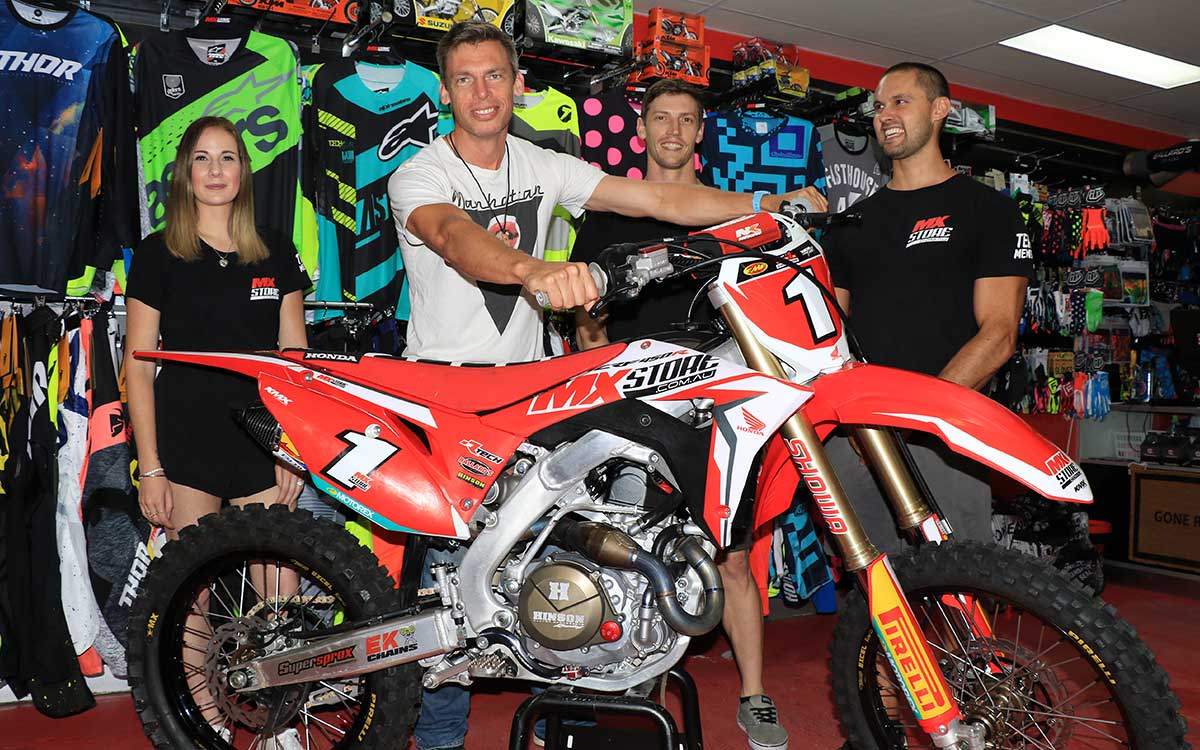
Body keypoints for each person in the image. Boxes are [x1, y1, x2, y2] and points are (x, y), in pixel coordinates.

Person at [387, 21, 825, 750]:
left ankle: (562, 711)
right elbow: (453, 238)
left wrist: (762, 209)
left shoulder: (541, 162)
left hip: (530, 398)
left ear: (518, 82)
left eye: (494, 75)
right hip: (447, 397)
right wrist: (534, 271)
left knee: (546, 561)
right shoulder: (419, 172)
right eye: (464, 79)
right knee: (448, 584)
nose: (481, 92)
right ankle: (439, 742)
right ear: (444, 91)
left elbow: (659, 203)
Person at [572, 78, 797, 750]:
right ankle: (632, 698)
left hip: (717, 406)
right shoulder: (607, 213)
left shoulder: (730, 216)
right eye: (661, 118)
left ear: (700, 132)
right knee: (633, 557)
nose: (672, 131)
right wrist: (598, 375)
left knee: (732, 556)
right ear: (642, 129)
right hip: (633, 410)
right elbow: (584, 323)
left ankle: (754, 695)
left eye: (686, 120)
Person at [124, 115, 310, 749]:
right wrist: (150, 466)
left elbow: (295, 361)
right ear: (184, 172)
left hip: (261, 438)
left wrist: (291, 450)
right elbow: (138, 367)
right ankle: (203, 723)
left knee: (280, 591)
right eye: (202, 158)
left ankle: (280, 723)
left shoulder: (275, 249)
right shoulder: (157, 254)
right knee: (192, 595)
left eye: (227, 157)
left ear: (243, 171)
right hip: (185, 439)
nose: (214, 170)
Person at [821, 62, 1032, 553]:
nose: (885, 115)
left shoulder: (990, 211)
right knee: (874, 585)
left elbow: (999, 334)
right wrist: (858, 422)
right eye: (879, 106)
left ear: (940, 110)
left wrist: (915, 420)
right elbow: (829, 338)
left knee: (959, 578)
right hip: (860, 438)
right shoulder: (850, 224)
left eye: (901, 101)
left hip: (945, 436)